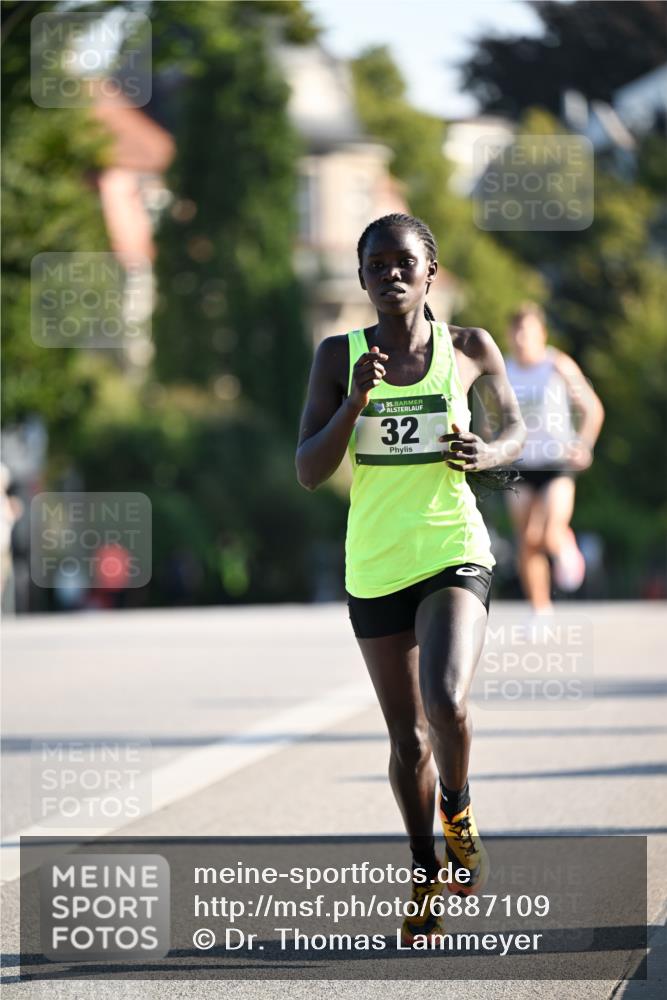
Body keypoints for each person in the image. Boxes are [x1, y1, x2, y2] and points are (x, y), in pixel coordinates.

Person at [295, 213, 525, 946]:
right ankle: (424, 865)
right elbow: (308, 470)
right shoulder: (338, 356)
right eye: (376, 265)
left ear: (431, 272)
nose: (390, 274)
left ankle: (457, 814)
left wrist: (483, 453)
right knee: (406, 742)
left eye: (405, 262)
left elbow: (515, 429)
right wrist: (354, 403)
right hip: (374, 564)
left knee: (446, 700)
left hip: (452, 548)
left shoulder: (467, 348)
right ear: (361, 278)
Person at [504, 303, 604, 613]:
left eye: (528, 332)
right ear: (510, 335)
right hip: (521, 464)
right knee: (527, 540)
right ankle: (540, 609)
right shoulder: (504, 369)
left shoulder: (557, 365)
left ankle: (564, 544)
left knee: (547, 534)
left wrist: (584, 444)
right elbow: (494, 418)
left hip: (556, 462)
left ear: (541, 334)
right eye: (517, 332)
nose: (522, 339)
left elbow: (592, 407)